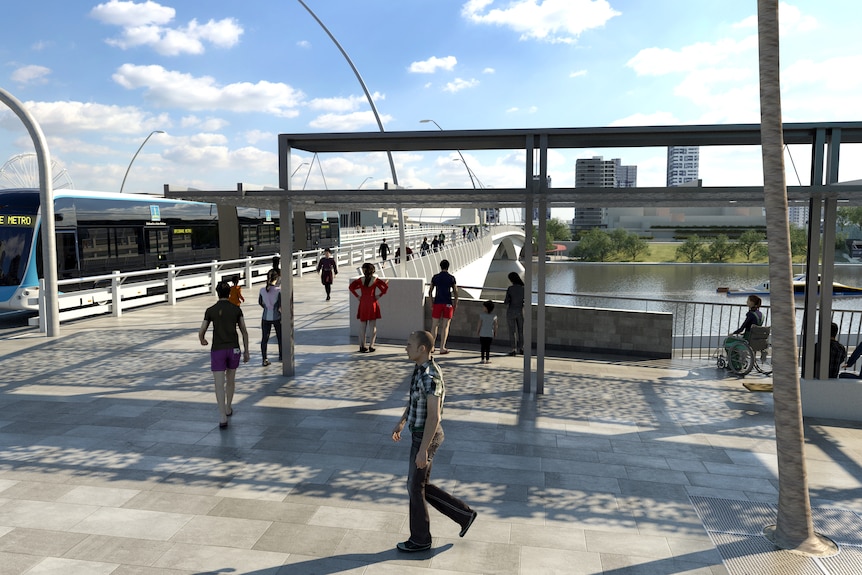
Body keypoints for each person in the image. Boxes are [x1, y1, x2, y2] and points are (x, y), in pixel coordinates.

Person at [391, 330, 477, 552]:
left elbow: (434, 416)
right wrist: (402, 421)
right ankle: (464, 515)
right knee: (419, 486)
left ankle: (420, 539)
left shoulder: (430, 377)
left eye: (409, 344)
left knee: (414, 486)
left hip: (426, 436)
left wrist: (423, 450)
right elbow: (414, 401)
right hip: (420, 433)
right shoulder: (419, 369)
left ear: (422, 349)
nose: (405, 348)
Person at [199, 281, 250, 428]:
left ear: (217, 292)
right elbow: (244, 331)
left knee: (219, 384)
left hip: (218, 350)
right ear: (229, 293)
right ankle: (228, 407)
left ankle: (222, 416)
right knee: (231, 380)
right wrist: (246, 351)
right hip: (234, 348)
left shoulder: (210, 310)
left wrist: (202, 340)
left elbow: (202, 330)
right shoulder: (236, 310)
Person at [349, 262, 389, 352]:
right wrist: (379, 295)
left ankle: (362, 345)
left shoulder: (360, 280)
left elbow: (351, 287)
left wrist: (358, 296)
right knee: (373, 326)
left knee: (362, 325)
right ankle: (371, 345)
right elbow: (384, 288)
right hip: (372, 302)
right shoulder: (375, 280)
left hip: (363, 302)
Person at [429, 259, 458, 354]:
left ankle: (432, 347)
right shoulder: (451, 278)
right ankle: (442, 347)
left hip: (437, 302)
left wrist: (431, 302)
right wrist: (455, 304)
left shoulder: (435, 277)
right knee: (445, 326)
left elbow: (430, 291)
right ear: (448, 267)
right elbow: (456, 292)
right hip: (448, 303)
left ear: (440, 266)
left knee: (434, 326)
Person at [258, 277, 282, 366]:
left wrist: (266, 307)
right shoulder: (278, 290)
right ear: (276, 279)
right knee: (280, 337)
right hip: (277, 317)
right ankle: (281, 355)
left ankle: (264, 358)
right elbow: (280, 304)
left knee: (265, 338)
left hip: (265, 317)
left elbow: (260, 302)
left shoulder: (262, 290)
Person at [503, 272, 525, 356]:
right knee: (521, 331)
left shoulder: (510, 289)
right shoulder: (523, 288)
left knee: (512, 331)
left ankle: (513, 349)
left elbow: (506, 301)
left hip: (511, 311)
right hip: (520, 311)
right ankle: (521, 348)